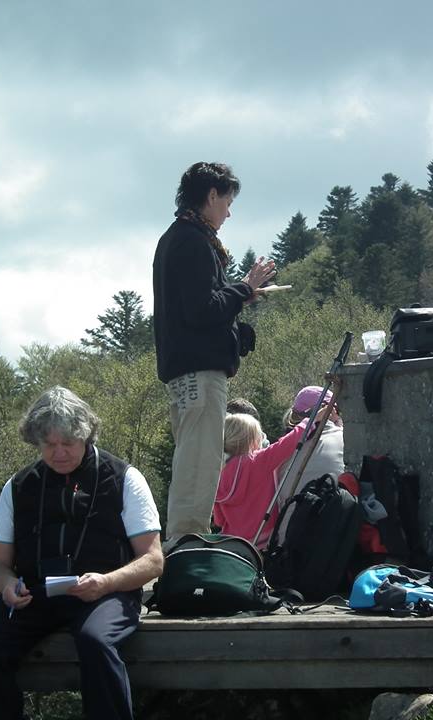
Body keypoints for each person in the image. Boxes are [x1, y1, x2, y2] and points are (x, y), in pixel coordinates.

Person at [0, 387, 163, 720]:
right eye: (49, 445)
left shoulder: (125, 478)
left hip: (106, 593)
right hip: (35, 594)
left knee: (95, 642)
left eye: (67, 443)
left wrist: (108, 581)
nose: (58, 454)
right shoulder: (18, 485)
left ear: (86, 436)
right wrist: (7, 586)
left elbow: (153, 560)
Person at [153, 161, 276, 545]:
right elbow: (203, 310)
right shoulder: (192, 241)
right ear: (211, 196)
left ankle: (185, 547)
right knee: (199, 466)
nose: (229, 211)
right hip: (199, 376)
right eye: (227, 201)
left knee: (196, 462)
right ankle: (186, 550)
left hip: (188, 373)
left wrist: (237, 309)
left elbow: (197, 311)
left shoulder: (179, 238)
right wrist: (243, 288)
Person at [214, 400, 334, 549]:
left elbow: (219, 520)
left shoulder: (218, 471)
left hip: (232, 540)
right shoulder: (257, 461)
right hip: (262, 538)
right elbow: (287, 444)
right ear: (251, 440)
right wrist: (312, 420)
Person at [275, 385, 345, 508]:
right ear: (330, 411)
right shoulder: (343, 439)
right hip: (331, 523)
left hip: (286, 525)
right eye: (337, 411)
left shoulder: (281, 450)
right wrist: (339, 423)